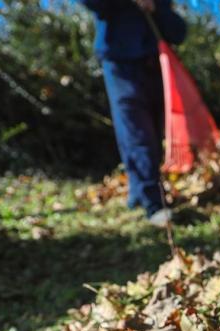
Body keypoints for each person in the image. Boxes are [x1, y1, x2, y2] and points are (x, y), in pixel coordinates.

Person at [79, 0, 187, 227]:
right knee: (136, 132)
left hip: (155, 63)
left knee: (154, 134)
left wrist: (154, 8)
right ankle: (153, 202)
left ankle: (139, 193)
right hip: (120, 65)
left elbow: (178, 32)